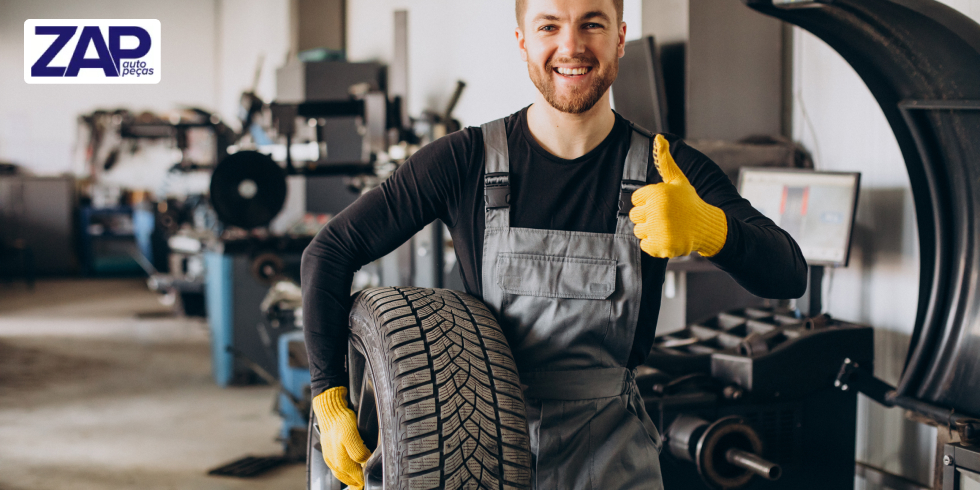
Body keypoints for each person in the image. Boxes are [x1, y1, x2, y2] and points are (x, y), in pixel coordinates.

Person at [301, 0, 808, 488]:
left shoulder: (666, 166)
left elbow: (788, 273)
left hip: (613, 461)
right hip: (475, 458)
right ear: (522, 41)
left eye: (592, 24)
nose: (572, 46)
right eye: (549, 27)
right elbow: (329, 252)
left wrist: (710, 229)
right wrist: (329, 396)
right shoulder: (464, 161)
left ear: (621, 38)